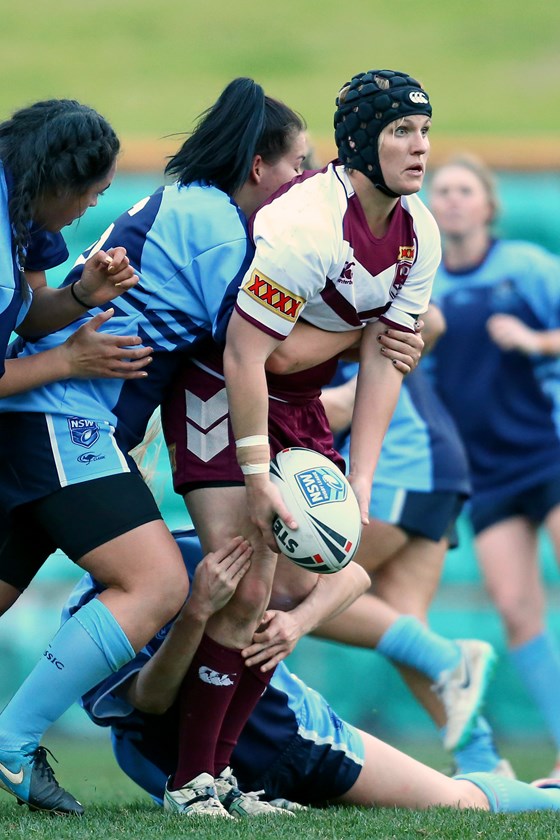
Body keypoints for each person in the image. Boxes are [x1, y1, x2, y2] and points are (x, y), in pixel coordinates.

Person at [0, 78, 354, 816]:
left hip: (63, 419)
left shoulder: (196, 211)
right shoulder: (218, 225)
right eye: (297, 165)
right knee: (158, 585)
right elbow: (266, 351)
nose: (306, 182)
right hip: (67, 419)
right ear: (256, 167)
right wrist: (379, 324)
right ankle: (13, 744)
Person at [158, 67, 437, 812]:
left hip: (304, 403)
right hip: (222, 387)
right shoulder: (304, 223)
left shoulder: (420, 235)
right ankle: (190, 782)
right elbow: (254, 356)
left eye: (424, 131)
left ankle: (226, 778)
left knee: (300, 585)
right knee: (247, 578)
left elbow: (387, 362)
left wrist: (366, 481)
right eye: (401, 132)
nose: (420, 148)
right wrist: (256, 478)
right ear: (358, 142)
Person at [62, 528, 560, 817]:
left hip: (292, 737)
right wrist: (196, 614)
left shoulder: (193, 548)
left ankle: (547, 795)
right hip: (167, 761)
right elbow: (150, 702)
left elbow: (354, 576)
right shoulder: (86, 615)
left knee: (458, 801)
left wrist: (297, 623)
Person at [316, 330, 512, 776]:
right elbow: (434, 315)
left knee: (291, 591)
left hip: (402, 464)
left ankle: (448, 657)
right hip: (431, 463)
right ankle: (482, 759)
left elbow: (345, 404)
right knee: (402, 621)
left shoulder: (314, 295)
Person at [426, 154, 560, 776]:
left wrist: (534, 341)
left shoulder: (526, 268)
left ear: (488, 205)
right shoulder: (426, 289)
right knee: (515, 609)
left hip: (548, 455)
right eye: (441, 190)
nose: (451, 199)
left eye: (464, 190)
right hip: (487, 475)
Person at [0, 98, 152, 397]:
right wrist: (67, 359)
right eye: (96, 192)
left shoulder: (26, 197)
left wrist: (82, 295)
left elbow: (28, 319)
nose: (93, 204)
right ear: (62, 186)